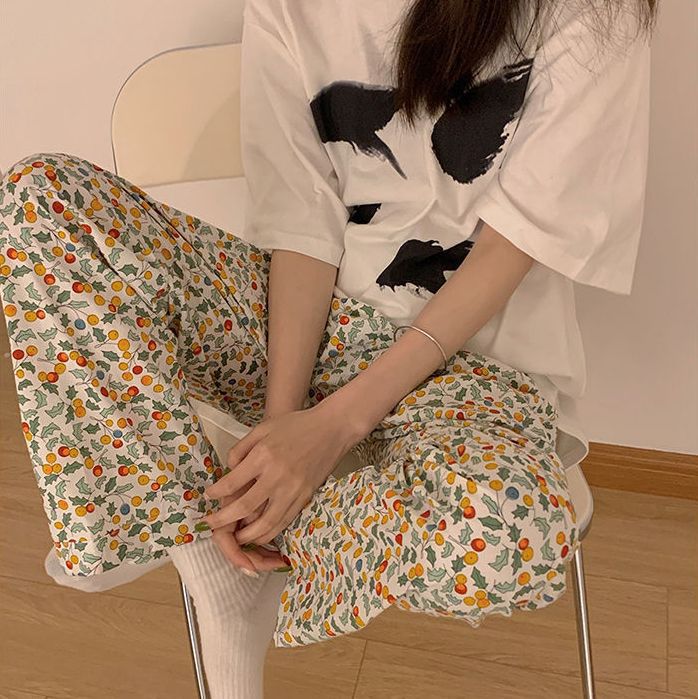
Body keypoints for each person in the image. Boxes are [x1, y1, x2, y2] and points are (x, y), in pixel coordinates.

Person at [0, 0, 657, 696]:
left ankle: (259, 544)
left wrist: (331, 430)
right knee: (44, 200)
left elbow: (511, 246)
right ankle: (217, 539)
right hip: (303, 322)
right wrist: (281, 423)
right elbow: (303, 223)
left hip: (472, 372)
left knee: (512, 536)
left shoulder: (596, 11)